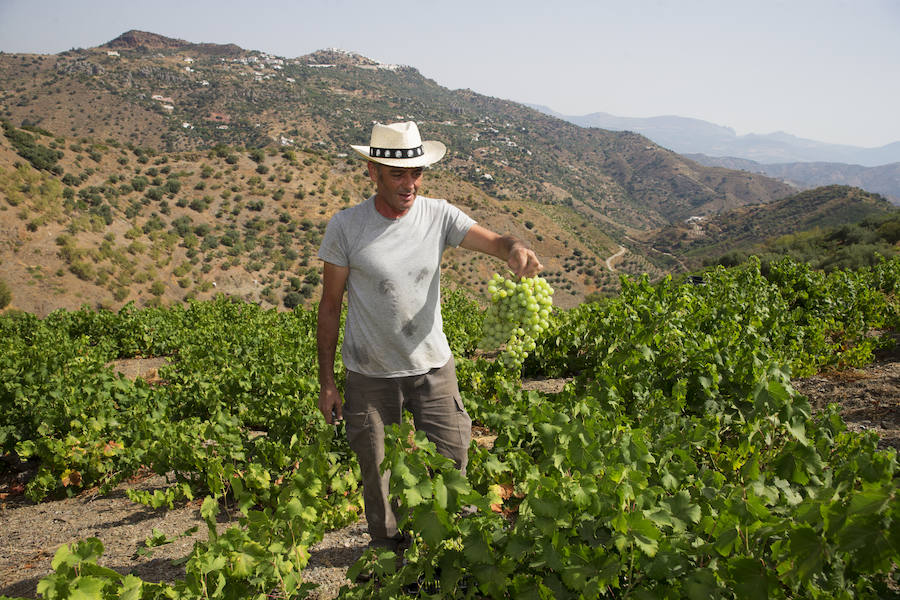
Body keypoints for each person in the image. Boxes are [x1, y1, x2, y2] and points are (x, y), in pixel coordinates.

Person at [316, 121, 542, 551]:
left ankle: (444, 548)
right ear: (372, 172)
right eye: (398, 174)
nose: (410, 184)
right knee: (378, 475)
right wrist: (328, 382)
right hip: (370, 375)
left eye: (417, 173)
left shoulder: (439, 214)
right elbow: (329, 307)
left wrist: (514, 248)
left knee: (452, 460)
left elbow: (496, 242)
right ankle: (390, 560)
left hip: (434, 369)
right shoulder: (346, 227)